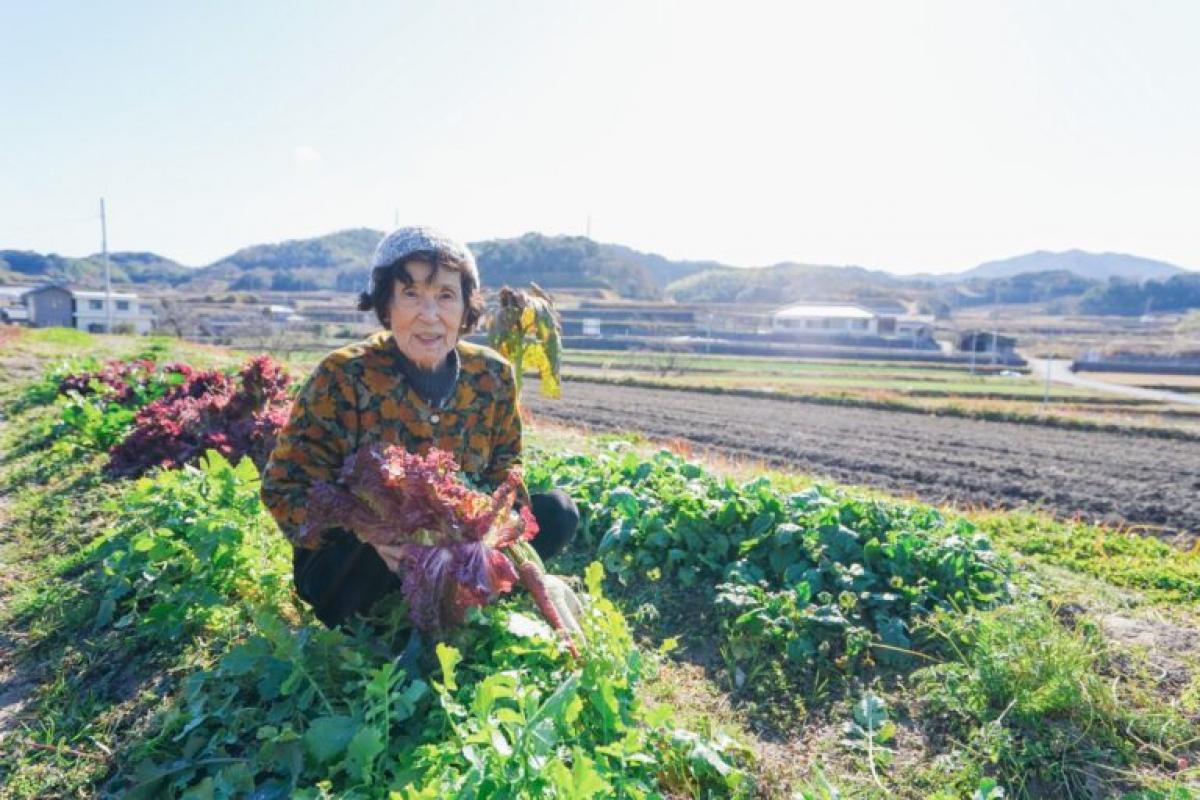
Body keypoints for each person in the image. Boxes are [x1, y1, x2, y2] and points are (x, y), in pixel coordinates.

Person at [261, 226, 579, 628]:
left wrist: (483, 528)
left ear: (466, 308)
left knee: (557, 513)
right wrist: (369, 534)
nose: (429, 315)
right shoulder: (342, 376)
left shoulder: (491, 376)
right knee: (356, 574)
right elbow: (283, 487)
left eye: (445, 295)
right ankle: (406, 613)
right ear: (386, 304)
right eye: (411, 294)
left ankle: (463, 592)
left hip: (456, 551)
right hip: (363, 566)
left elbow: (505, 476)